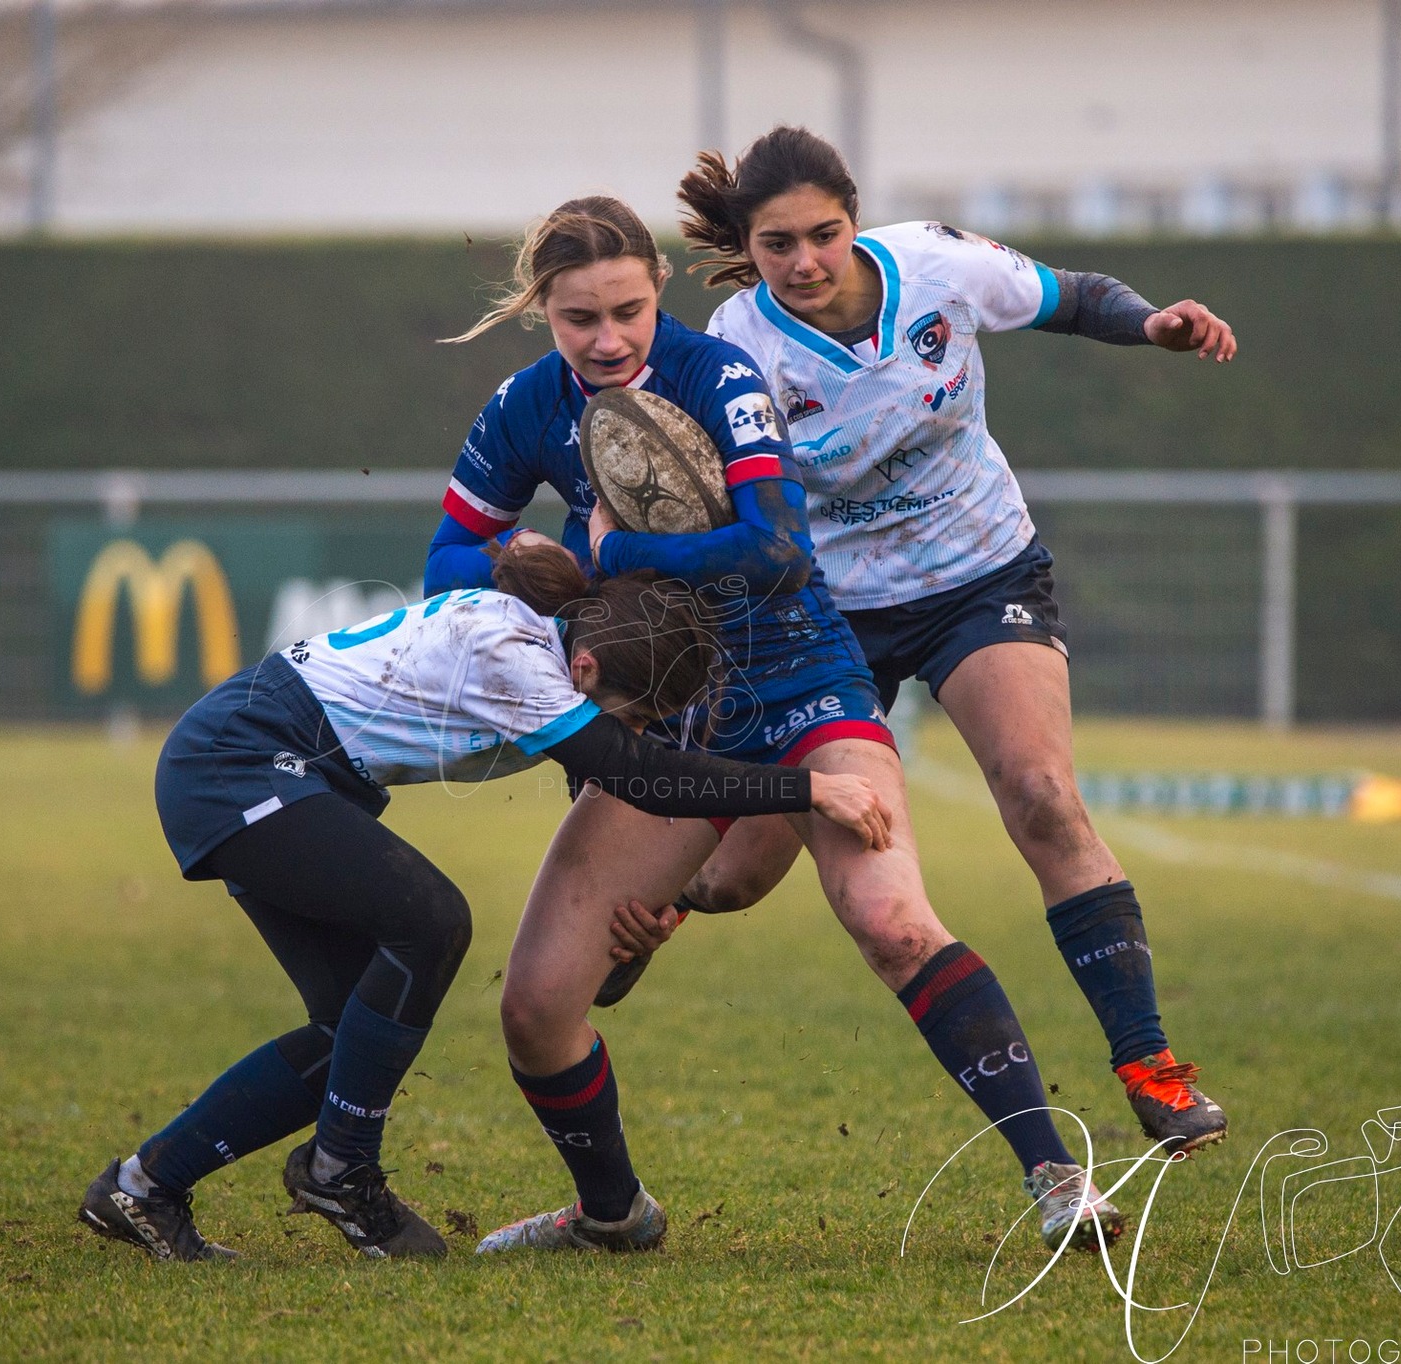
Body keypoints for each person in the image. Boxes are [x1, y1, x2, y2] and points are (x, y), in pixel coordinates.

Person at [427, 198, 1125, 1256]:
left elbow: (773, 554)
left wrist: (611, 561)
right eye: (579, 320)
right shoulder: (523, 407)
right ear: (545, 313)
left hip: (798, 673)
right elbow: (444, 560)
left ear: (657, 289)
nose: (607, 338)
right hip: (670, 712)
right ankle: (612, 1213)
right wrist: (530, 571)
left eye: (624, 309)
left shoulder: (719, 377)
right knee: (534, 1006)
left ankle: (1055, 1177)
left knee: (890, 920)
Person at [612, 125, 1237, 1155]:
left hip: (978, 572)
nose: (803, 261)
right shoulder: (734, 347)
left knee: (1039, 794)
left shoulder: (937, 267)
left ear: (855, 220)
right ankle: (672, 904)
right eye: (776, 245)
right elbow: (692, 490)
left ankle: (1151, 1067)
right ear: (747, 245)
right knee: (735, 876)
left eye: (823, 234)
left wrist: (1151, 324)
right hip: (823, 612)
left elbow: (1073, 295)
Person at [77, 541, 892, 1262]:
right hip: (240, 763)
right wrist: (807, 789)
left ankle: (145, 1186)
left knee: (350, 1028)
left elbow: (625, 785)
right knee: (431, 921)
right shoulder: (515, 656)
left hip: (272, 770)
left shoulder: (544, 644)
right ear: (586, 671)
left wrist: (643, 926)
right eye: (638, 713)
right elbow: (643, 776)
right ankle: (342, 1168)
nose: (634, 729)